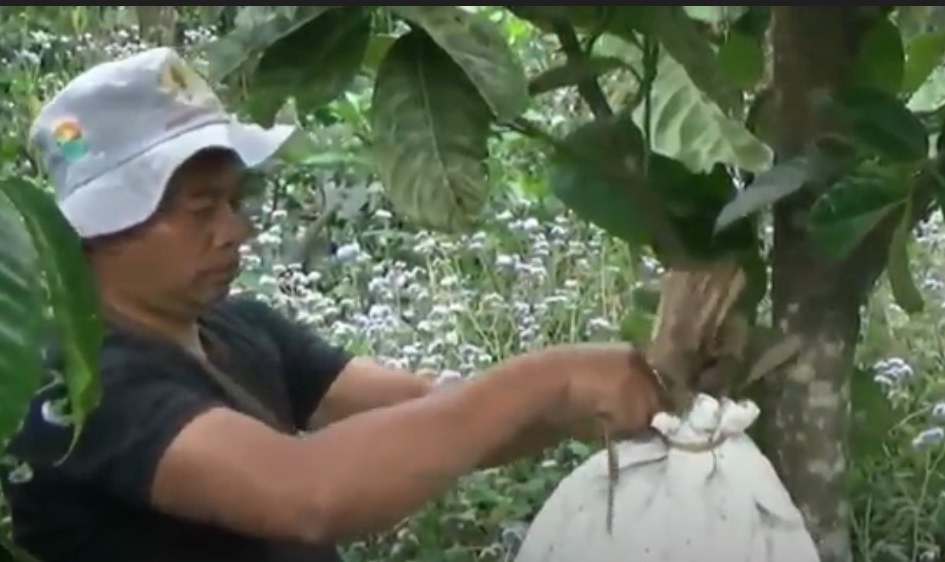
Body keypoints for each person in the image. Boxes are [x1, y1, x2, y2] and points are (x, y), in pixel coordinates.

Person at [0, 47, 661, 562]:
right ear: (96, 231)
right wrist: (554, 376)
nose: (235, 230)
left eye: (235, 201)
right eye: (201, 207)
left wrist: (615, 393)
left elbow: (429, 412)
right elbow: (305, 493)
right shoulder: (76, 391)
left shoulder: (238, 330)